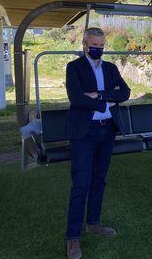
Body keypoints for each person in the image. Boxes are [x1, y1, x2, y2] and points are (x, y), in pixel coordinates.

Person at [65, 27, 130, 259]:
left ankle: (93, 222)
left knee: (99, 180)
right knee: (81, 184)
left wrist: (98, 95)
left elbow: (125, 92)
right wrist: (105, 102)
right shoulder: (74, 68)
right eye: (94, 45)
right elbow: (76, 98)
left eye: (101, 46)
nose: (98, 49)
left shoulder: (110, 68)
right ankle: (73, 237)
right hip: (84, 133)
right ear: (84, 44)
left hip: (107, 131)